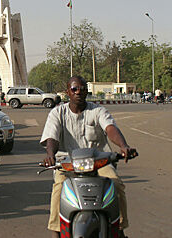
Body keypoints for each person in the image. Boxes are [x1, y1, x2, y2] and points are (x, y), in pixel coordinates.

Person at [40, 76, 137, 238]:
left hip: (99, 162)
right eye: (74, 89)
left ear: (87, 91)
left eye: (83, 89)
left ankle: (119, 227)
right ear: (67, 92)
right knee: (59, 188)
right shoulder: (57, 113)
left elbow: (110, 128)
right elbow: (52, 138)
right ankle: (56, 230)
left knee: (116, 184)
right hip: (67, 163)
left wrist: (123, 146)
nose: (79, 92)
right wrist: (50, 155)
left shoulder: (98, 111)